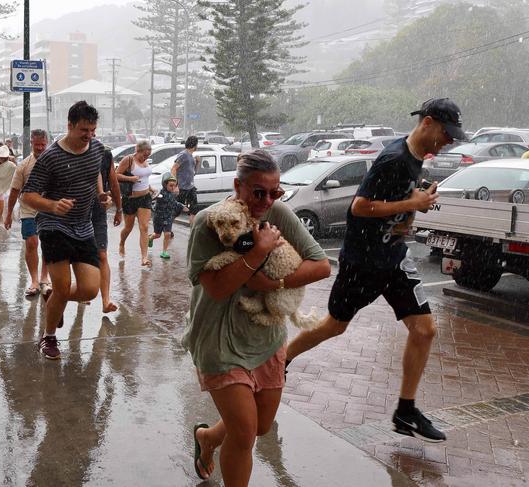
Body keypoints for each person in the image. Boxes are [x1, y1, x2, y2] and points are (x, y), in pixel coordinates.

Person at [287, 98, 468, 443]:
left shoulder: (415, 159)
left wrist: (411, 212)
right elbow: (360, 207)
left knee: (425, 329)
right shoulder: (394, 159)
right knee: (335, 326)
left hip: (394, 259)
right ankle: (282, 358)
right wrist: (411, 203)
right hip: (363, 263)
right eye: (447, 133)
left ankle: (406, 410)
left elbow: (393, 203)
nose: (450, 141)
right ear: (428, 122)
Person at [183, 150, 330, 484]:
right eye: (257, 192)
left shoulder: (278, 213)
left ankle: (208, 437)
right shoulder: (210, 223)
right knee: (245, 433)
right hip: (220, 340)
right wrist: (259, 251)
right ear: (238, 186)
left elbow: (321, 265)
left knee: (260, 426)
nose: (266, 200)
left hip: (266, 338)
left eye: (274, 192)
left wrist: (275, 282)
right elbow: (217, 288)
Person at [21, 100, 106, 360]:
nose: (89, 136)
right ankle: (48, 338)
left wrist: (101, 195)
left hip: (83, 226)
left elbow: (94, 174)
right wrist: (53, 205)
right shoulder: (51, 157)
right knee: (63, 284)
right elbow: (28, 195)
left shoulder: (97, 149)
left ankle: (52, 300)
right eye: (84, 130)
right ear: (69, 125)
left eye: (92, 130)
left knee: (90, 290)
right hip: (53, 225)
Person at [5, 129, 52, 297]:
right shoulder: (23, 165)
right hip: (28, 209)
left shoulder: (54, 162)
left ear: (47, 143)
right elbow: (14, 191)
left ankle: (44, 277)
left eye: (43, 145)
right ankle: (34, 280)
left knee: (47, 242)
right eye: (36, 144)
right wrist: (9, 213)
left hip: (49, 208)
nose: (40, 148)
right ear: (31, 143)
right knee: (31, 243)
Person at [90, 147, 122, 312]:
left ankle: (105, 301)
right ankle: (83, 291)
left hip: (99, 212)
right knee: (81, 256)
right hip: (77, 212)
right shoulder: (73, 152)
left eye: (92, 131)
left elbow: (114, 182)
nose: (89, 135)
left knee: (102, 254)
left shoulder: (105, 154)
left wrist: (119, 209)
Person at [116, 140, 154, 268]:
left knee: (144, 227)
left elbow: (144, 177)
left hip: (145, 197)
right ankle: (122, 243)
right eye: (144, 155)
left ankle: (144, 258)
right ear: (138, 151)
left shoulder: (146, 161)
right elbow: (116, 175)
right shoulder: (128, 160)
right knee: (128, 228)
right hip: (130, 199)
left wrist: (150, 187)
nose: (146, 157)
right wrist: (130, 179)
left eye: (148, 155)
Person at [148, 172, 187, 259]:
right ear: (165, 185)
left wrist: (182, 206)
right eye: (171, 185)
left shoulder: (172, 195)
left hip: (168, 218)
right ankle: (150, 238)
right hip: (159, 218)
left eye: (174, 185)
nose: (173, 188)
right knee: (157, 235)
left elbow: (174, 203)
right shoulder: (160, 194)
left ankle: (164, 252)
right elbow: (153, 197)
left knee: (167, 234)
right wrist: (151, 191)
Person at [171, 135, 200, 225]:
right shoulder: (184, 154)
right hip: (182, 188)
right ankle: (167, 227)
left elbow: (194, 172)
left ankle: (192, 231)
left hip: (191, 187)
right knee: (177, 210)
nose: (197, 146)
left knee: (194, 210)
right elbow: (173, 169)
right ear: (194, 145)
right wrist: (175, 185)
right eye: (197, 144)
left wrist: (198, 162)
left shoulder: (191, 156)